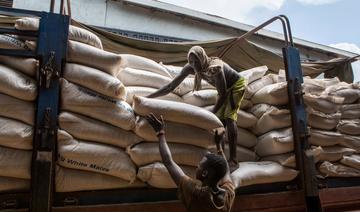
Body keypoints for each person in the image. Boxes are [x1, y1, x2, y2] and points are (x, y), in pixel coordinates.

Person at [147, 46, 246, 171]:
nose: (194, 65)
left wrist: (212, 112)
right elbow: (171, 86)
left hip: (236, 85)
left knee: (229, 118)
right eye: (191, 62)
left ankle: (234, 160)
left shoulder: (215, 68)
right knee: (219, 124)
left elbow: (223, 94)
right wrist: (149, 98)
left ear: (202, 58)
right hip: (223, 90)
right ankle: (222, 159)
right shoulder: (189, 68)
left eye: (196, 61)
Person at [145, 113, 235, 212]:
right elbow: (226, 171)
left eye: (200, 165)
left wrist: (160, 132)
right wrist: (219, 146)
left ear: (205, 173)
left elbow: (168, 162)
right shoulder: (228, 193)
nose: (197, 166)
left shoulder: (195, 194)